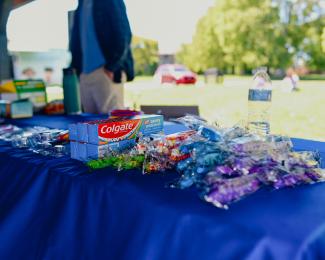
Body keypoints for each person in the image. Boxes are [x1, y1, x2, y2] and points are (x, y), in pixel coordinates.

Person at [70, 0, 134, 114]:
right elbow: (76, 39)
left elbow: (124, 33)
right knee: (89, 125)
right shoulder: (81, 4)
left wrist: (112, 66)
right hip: (85, 74)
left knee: (114, 125)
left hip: (106, 72)